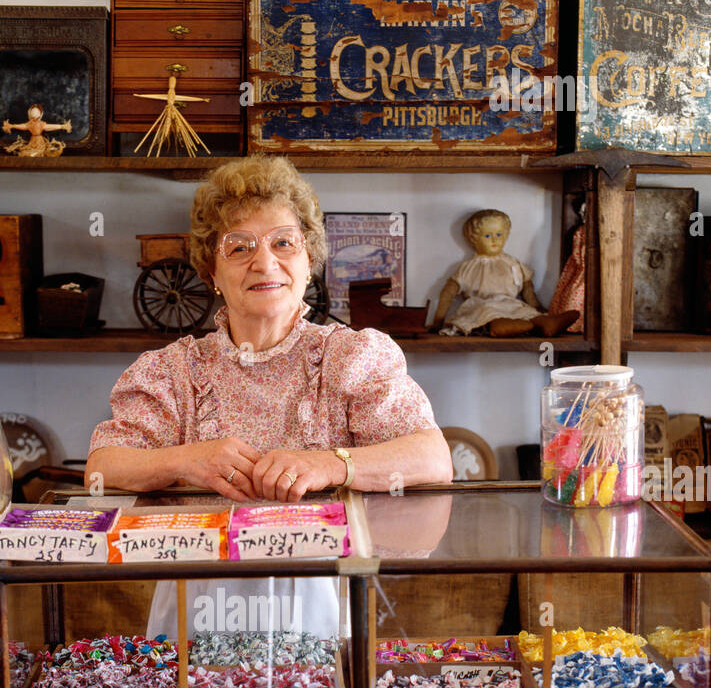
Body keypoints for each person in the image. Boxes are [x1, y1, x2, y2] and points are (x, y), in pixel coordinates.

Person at [86, 155, 453, 641]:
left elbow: (431, 458)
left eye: (284, 242)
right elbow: (101, 469)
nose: (265, 262)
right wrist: (184, 460)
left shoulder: (351, 356)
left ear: (308, 262)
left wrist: (331, 463)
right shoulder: (170, 370)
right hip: (195, 608)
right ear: (210, 271)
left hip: (323, 606)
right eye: (239, 248)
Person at [431, 208, 577, 338]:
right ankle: (503, 326)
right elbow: (448, 292)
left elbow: (527, 288)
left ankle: (547, 323)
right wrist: (438, 320)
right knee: (487, 313)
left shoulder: (512, 263)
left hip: (509, 303)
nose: (495, 240)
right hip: (481, 304)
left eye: (499, 234)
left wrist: (538, 307)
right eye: (487, 236)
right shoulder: (469, 267)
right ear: (473, 239)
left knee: (525, 312)